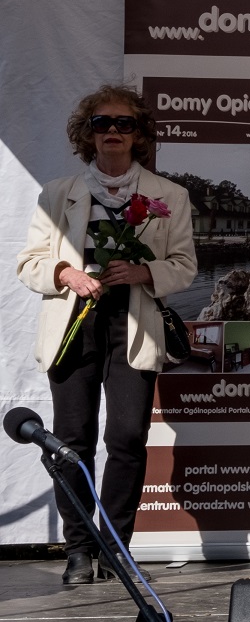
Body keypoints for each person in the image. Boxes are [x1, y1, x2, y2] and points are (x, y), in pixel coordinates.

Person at [16, 86, 196, 585]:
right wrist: (65, 274)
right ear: (88, 133)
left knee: (127, 438)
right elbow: (28, 263)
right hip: (73, 324)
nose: (113, 131)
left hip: (133, 324)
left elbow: (184, 266)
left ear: (139, 135)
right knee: (70, 441)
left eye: (124, 123)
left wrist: (144, 272)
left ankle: (116, 549)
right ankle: (78, 550)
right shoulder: (58, 192)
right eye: (102, 123)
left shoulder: (170, 195)